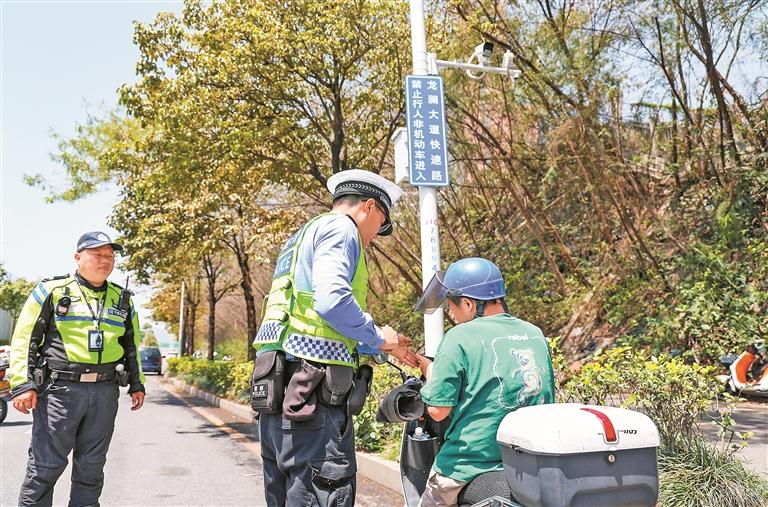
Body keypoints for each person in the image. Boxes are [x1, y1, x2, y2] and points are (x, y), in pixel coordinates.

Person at [252, 169, 417, 507]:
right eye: (379, 224)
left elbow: (313, 319)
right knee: (323, 492)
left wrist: (384, 346)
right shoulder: (342, 229)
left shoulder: (300, 238)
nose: (372, 238)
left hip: (276, 396)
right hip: (312, 402)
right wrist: (377, 336)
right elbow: (332, 300)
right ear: (369, 207)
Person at [9, 231, 145, 507]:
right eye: (97, 255)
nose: (105, 261)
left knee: (91, 468)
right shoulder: (52, 291)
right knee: (45, 467)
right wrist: (22, 385)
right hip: (60, 391)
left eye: (110, 256)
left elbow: (132, 344)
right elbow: (25, 339)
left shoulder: (122, 299)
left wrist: (137, 384)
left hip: (105, 392)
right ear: (78, 257)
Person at [413, 257, 556, 507]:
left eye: (451, 307)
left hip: (468, 465)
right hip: (529, 464)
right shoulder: (534, 334)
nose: (452, 315)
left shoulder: (459, 337)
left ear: (468, 303)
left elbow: (437, 411)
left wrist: (431, 373)